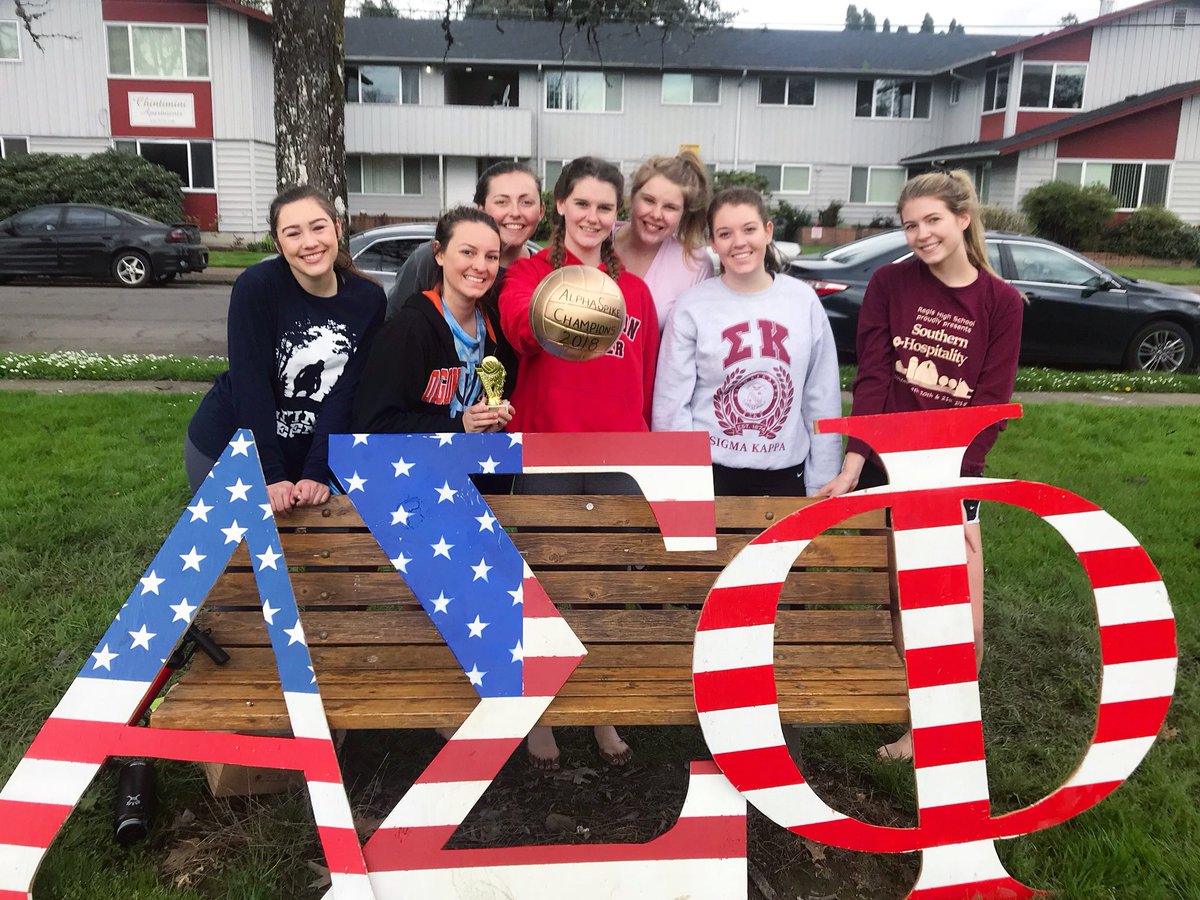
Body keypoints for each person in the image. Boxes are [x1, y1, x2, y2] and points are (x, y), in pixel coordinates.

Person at [814, 169, 1024, 762]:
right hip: (893, 466)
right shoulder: (888, 284)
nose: (921, 234)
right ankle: (918, 721)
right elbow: (875, 378)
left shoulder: (1001, 302)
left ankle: (950, 720)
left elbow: (991, 406)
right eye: (910, 224)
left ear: (962, 219)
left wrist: (953, 489)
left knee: (963, 608)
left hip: (957, 469)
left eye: (932, 220)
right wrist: (856, 462)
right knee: (908, 599)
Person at [499, 156, 660, 769]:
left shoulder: (637, 292)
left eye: (605, 207)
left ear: (616, 216)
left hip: (618, 454)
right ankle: (540, 713)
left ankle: (601, 707)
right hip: (549, 448)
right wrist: (560, 298)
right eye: (582, 203)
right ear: (560, 204)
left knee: (608, 588)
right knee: (546, 585)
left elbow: (641, 381)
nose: (593, 216)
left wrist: (641, 445)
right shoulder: (530, 273)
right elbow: (516, 328)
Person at [185, 185, 385, 514]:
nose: (309, 242)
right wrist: (270, 474)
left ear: (337, 227)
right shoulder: (258, 287)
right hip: (231, 444)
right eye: (293, 233)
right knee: (243, 562)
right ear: (278, 244)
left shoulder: (369, 299)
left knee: (327, 556)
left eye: (318, 227)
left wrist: (317, 469)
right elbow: (251, 384)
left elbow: (346, 393)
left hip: (314, 450)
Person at [653, 187, 841, 496]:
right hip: (711, 476)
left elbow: (821, 396)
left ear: (768, 232)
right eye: (725, 233)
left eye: (749, 229)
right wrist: (682, 477)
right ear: (712, 242)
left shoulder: (802, 301)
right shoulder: (692, 306)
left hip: (784, 475)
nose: (739, 242)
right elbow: (671, 403)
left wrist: (821, 478)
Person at [353, 206, 517, 435]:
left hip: (477, 466)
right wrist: (460, 426)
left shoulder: (497, 328)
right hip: (417, 468)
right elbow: (374, 422)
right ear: (439, 253)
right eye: (468, 252)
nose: (481, 266)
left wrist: (494, 419)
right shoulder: (407, 328)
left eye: (491, 257)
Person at [385, 161, 543, 319]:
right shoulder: (434, 258)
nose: (515, 212)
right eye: (502, 202)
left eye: (526, 202)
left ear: (541, 211)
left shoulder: (548, 272)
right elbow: (393, 325)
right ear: (481, 209)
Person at [612, 151, 714, 328]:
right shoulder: (599, 239)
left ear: (683, 213)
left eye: (670, 207)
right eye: (649, 200)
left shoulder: (695, 265)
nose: (656, 214)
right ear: (633, 197)